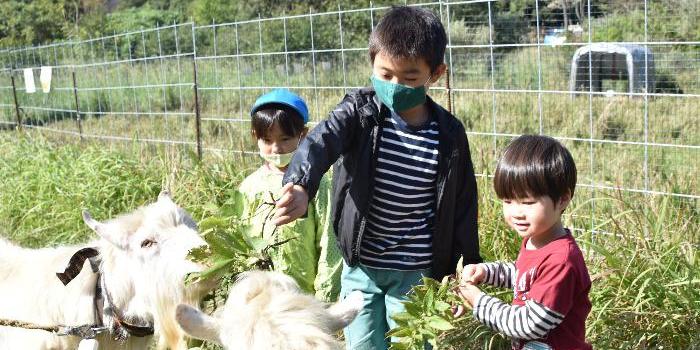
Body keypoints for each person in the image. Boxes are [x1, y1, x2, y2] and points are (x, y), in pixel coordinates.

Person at [273, 6, 481, 349]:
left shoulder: (448, 135)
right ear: (372, 65)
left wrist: (464, 270)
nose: (395, 86)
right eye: (385, 75)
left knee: (412, 343)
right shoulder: (361, 112)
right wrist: (300, 184)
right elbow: (321, 141)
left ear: (436, 73)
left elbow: (462, 205)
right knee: (363, 344)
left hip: (416, 273)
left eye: (410, 78)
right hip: (362, 267)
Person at [454, 135, 592, 350]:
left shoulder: (561, 261)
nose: (516, 212)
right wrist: (485, 272)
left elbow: (527, 325)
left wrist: (478, 301)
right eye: (508, 201)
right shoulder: (536, 241)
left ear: (563, 198)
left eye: (527, 203)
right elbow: (523, 276)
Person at [233, 89, 341, 302]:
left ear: (304, 134)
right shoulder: (249, 187)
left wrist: (325, 297)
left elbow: (330, 242)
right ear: (255, 136)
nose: (276, 148)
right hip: (261, 296)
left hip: (304, 295)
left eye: (285, 138)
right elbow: (240, 240)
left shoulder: (317, 184)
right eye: (267, 139)